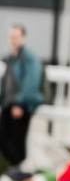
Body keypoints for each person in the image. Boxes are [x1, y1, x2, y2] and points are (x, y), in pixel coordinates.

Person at [0, 24, 43, 170]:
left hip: (21, 106)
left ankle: (19, 171)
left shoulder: (29, 58)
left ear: (23, 38)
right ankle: (17, 170)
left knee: (17, 141)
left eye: (16, 37)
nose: (13, 40)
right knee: (6, 139)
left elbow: (31, 82)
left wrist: (20, 103)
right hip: (8, 105)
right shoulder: (9, 58)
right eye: (11, 37)